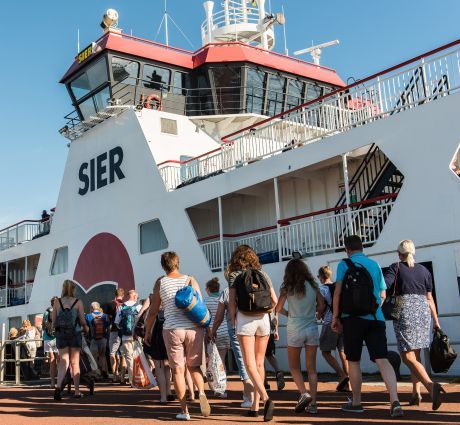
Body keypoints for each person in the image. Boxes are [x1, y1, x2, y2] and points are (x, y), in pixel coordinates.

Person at [331, 235, 403, 418]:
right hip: (375, 317)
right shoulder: (375, 265)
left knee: (353, 361)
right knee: (382, 358)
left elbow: (338, 293)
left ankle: (356, 403)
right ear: (362, 247)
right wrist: (373, 309)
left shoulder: (343, 265)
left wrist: (335, 318)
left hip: (352, 319)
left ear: (347, 249)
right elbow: (383, 294)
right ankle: (394, 400)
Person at [144, 251, 211, 421]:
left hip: (172, 329)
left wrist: (148, 331)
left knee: (178, 371)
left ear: (163, 265)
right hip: (193, 329)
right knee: (194, 367)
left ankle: (184, 411)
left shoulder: (161, 282)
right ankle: (201, 393)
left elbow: (153, 311)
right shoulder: (190, 279)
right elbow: (200, 305)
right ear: (177, 263)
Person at [384, 240, 444, 410]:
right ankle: (415, 393)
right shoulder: (424, 270)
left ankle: (431, 387)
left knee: (407, 357)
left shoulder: (395, 268)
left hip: (406, 311)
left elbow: (384, 285)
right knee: (415, 356)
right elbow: (430, 298)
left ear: (399, 253)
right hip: (423, 311)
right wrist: (436, 322)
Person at [227, 245, 277, 421]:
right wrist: (271, 319)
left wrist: (233, 320)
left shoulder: (234, 275)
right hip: (264, 320)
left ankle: (266, 399)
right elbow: (275, 301)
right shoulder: (263, 274)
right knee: (259, 364)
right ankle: (255, 406)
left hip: (245, 319)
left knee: (249, 365)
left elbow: (232, 301)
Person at [275, 259, 325, 414]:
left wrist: (288, 313)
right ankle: (314, 404)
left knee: (294, 367)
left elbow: (277, 308)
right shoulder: (314, 286)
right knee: (312, 369)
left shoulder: (287, 288)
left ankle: (304, 393)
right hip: (311, 327)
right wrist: (317, 312)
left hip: (294, 328)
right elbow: (322, 306)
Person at [211, 286, 254, 408]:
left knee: (243, 364)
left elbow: (219, 317)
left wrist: (213, 330)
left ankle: (249, 398)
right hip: (257, 327)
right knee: (257, 363)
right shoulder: (253, 285)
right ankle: (255, 395)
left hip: (237, 328)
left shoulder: (227, 291)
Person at [52, 279, 89, 400]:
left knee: (63, 361)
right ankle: (77, 391)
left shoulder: (57, 302)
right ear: (73, 289)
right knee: (75, 363)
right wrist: (86, 328)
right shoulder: (78, 302)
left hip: (61, 334)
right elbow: (83, 321)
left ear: (63, 289)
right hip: (75, 334)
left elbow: (54, 321)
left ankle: (58, 387)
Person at [317, 265, 350, 392]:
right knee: (342, 351)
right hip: (343, 322)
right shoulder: (338, 286)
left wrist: (319, 314)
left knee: (325, 351)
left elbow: (321, 306)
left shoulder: (322, 289)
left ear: (321, 276)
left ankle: (341, 375)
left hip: (329, 323)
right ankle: (348, 382)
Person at [140, 286, 174, 405]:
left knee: (158, 366)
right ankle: (169, 391)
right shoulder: (171, 295)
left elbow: (142, 313)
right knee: (167, 365)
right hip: (170, 331)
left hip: (155, 333)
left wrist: (137, 329)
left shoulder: (152, 297)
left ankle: (163, 397)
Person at [115, 289, 141, 385]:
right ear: (134, 296)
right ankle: (139, 379)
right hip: (136, 337)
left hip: (125, 337)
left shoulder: (121, 306)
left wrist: (123, 330)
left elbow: (117, 323)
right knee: (137, 358)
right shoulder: (139, 306)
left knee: (129, 359)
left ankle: (131, 381)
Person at [204, 278, 230, 364]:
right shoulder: (223, 299)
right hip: (225, 332)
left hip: (212, 332)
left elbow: (204, 319)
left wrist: (208, 333)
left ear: (208, 289)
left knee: (212, 360)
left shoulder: (205, 301)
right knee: (221, 359)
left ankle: (215, 377)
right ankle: (223, 377)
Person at [86, 301, 110, 379]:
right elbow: (108, 327)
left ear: (92, 308)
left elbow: (86, 327)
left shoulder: (88, 316)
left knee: (94, 357)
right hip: (103, 338)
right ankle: (103, 371)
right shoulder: (105, 316)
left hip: (93, 339)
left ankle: (96, 373)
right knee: (102, 356)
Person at [264, 312, 285, 391]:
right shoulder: (273, 299)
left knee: (259, 359)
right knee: (270, 355)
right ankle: (278, 371)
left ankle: (265, 384)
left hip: (258, 328)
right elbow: (275, 314)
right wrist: (276, 330)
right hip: (270, 329)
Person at [107, 288, 125, 383]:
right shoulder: (125, 305)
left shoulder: (110, 304)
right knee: (123, 354)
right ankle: (122, 377)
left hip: (114, 331)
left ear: (115, 294)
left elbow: (107, 318)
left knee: (112, 353)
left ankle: (114, 375)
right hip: (124, 332)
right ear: (123, 295)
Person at [43, 297, 59, 388]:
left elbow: (43, 326)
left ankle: (52, 383)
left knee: (52, 360)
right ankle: (60, 381)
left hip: (47, 337)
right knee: (59, 360)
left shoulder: (46, 312)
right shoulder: (59, 311)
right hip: (56, 338)